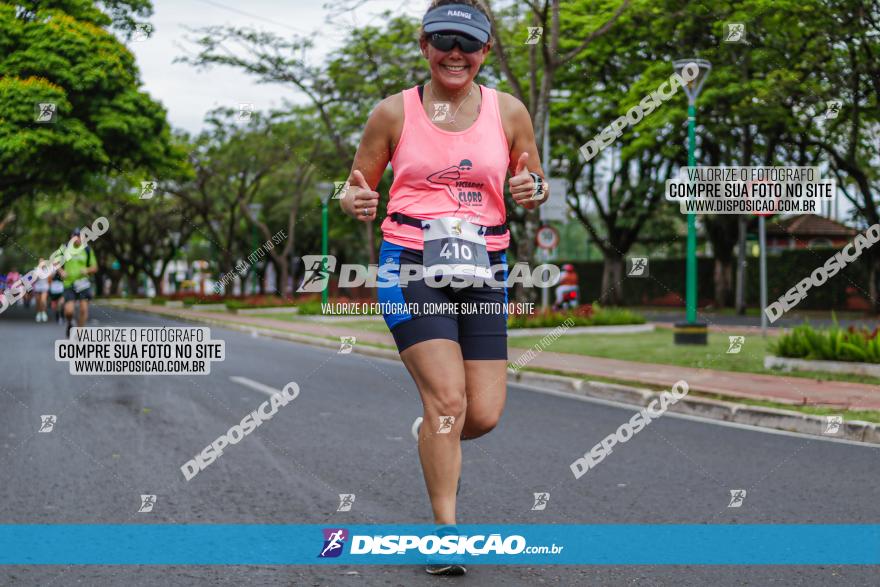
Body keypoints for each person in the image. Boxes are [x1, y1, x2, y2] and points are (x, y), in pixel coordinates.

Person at [339, 0, 548, 576]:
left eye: (470, 43)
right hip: (408, 264)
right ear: (425, 45)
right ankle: (445, 534)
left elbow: (528, 179)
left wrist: (534, 190)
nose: (456, 53)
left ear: (485, 51)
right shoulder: (392, 113)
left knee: (481, 416)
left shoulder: (509, 113)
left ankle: (433, 430)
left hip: (485, 269)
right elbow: (356, 185)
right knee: (449, 402)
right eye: (444, 40)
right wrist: (352, 199)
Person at [58, 229, 98, 337]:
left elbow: (95, 267)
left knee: (84, 309)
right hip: (69, 284)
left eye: (80, 236)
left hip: (83, 284)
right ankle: (70, 323)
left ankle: (80, 333)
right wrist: (61, 271)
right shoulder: (64, 248)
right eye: (75, 236)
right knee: (69, 311)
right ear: (71, 237)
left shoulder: (87, 249)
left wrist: (87, 270)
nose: (77, 239)